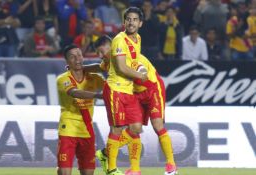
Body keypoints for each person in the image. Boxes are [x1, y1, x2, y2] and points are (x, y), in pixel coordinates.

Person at [90, 35, 178, 175]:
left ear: (111, 47)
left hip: (152, 89)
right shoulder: (110, 61)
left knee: (158, 126)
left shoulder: (127, 57)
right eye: (98, 53)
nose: (100, 56)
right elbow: (99, 67)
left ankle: (171, 165)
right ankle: (135, 169)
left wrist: (139, 73)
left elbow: (141, 70)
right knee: (135, 128)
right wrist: (82, 68)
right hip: (135, 94)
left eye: (101, 52)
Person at [99, 7, 148, 175]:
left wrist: (139, 69)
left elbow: (133, 62)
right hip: (115, 89)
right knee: (117, 130)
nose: (131, 22)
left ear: (140, 23)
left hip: (129, 91)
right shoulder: (119, 40)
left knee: (136, 128)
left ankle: (131, 168)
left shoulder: (138, 38)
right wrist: (140, 76)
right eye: (128, 19)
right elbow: (120, 67)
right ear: (124, 22)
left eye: (134, 19)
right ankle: (111, 169)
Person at [56, 44, 104, 175]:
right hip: (68, 129)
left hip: (87, 130)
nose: (77, 59)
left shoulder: (94, 78)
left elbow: (109, 81)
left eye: (79, 55)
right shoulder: (63, 79)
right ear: (67, 61)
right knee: (64, 172)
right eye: (72, 57)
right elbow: (74, 92)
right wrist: (98, 95)